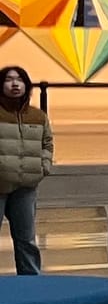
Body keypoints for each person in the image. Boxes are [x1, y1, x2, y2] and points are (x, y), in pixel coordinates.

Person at [0, 65, 52, 275]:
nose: (15, 84)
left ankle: (31, 283)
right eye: (9, 79)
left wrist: (43, 166)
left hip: (26, 187)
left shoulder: (38, 116)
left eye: (19, 79)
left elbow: (47, 143)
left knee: (26, 240)